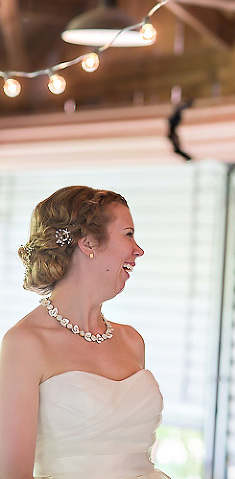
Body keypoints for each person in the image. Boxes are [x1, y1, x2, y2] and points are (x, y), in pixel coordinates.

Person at [0, 186, 168, 479]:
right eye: (128, 234)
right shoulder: (25, 344)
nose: (138, 250)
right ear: (88, 242)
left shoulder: (132, 341)